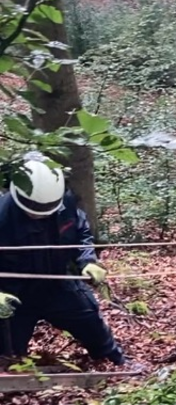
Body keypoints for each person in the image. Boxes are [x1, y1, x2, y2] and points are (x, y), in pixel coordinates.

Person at [0, 158, 139, 371]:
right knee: (8, 352)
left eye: (44, 207)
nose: (38, 212)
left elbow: (82, 232)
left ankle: (118, 364)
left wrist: (88, 260)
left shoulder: (66, 204)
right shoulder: (3, 215)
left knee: (89, 319)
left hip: (58, 285)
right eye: (34, 208)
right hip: (14, 294)